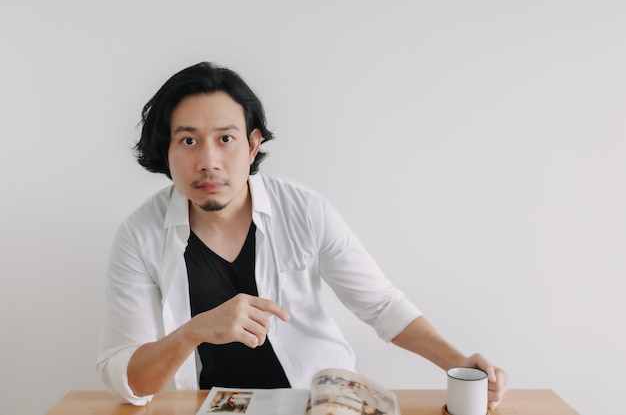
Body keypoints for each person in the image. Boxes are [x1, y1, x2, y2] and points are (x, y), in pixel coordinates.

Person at [96, 62, 509, 408]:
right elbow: (126, 379)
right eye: (188, 140)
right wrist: (194, 330)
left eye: (226, 139)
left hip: (320, 402)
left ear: (253, 144)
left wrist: (460, 364)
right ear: (166, 150)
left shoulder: (303, 210)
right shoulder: (139, 237)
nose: (209, 161)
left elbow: (381, 305)